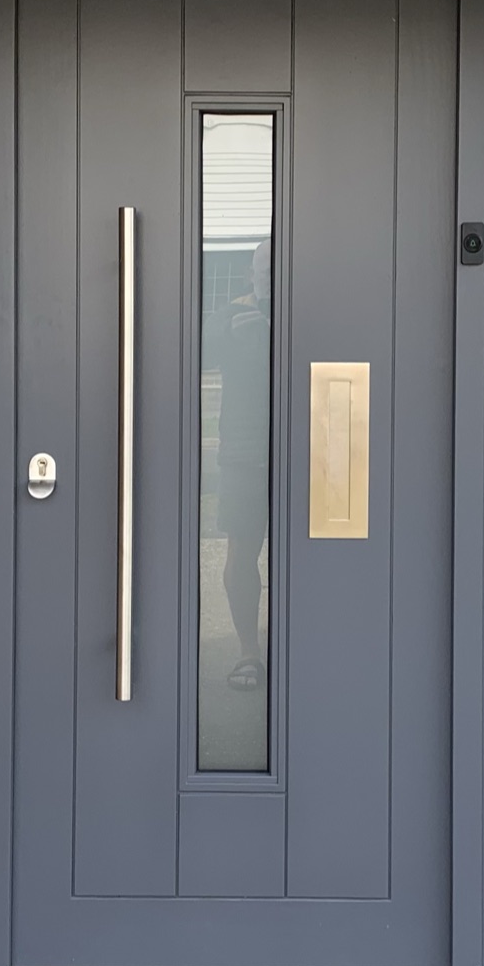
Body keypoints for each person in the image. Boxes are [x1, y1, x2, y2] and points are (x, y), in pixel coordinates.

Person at [210, 240, 271, 691]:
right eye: (262, 267)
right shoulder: (232, 315)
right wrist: (236, 337)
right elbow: (200, 353)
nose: (268, 276)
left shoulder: (314, 308)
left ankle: (304, 646)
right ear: (251, 273)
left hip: (309, 451)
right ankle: (249, 651)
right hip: (243, 453)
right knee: (241, 555)